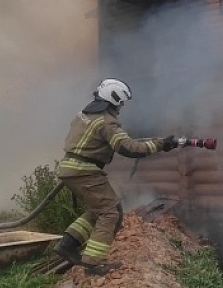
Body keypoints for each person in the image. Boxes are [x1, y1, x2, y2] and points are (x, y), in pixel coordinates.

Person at [54, 78, 178, 275]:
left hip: (71, 167)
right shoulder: (107, 121)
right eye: (121, 103)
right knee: (111, 212)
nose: (121, 107)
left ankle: (67, 245)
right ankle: (94, 263)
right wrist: (161, 145)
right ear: (114, 100)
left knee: (99, 209)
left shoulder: (84, 114)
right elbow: (129, 149)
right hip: (84, 170)